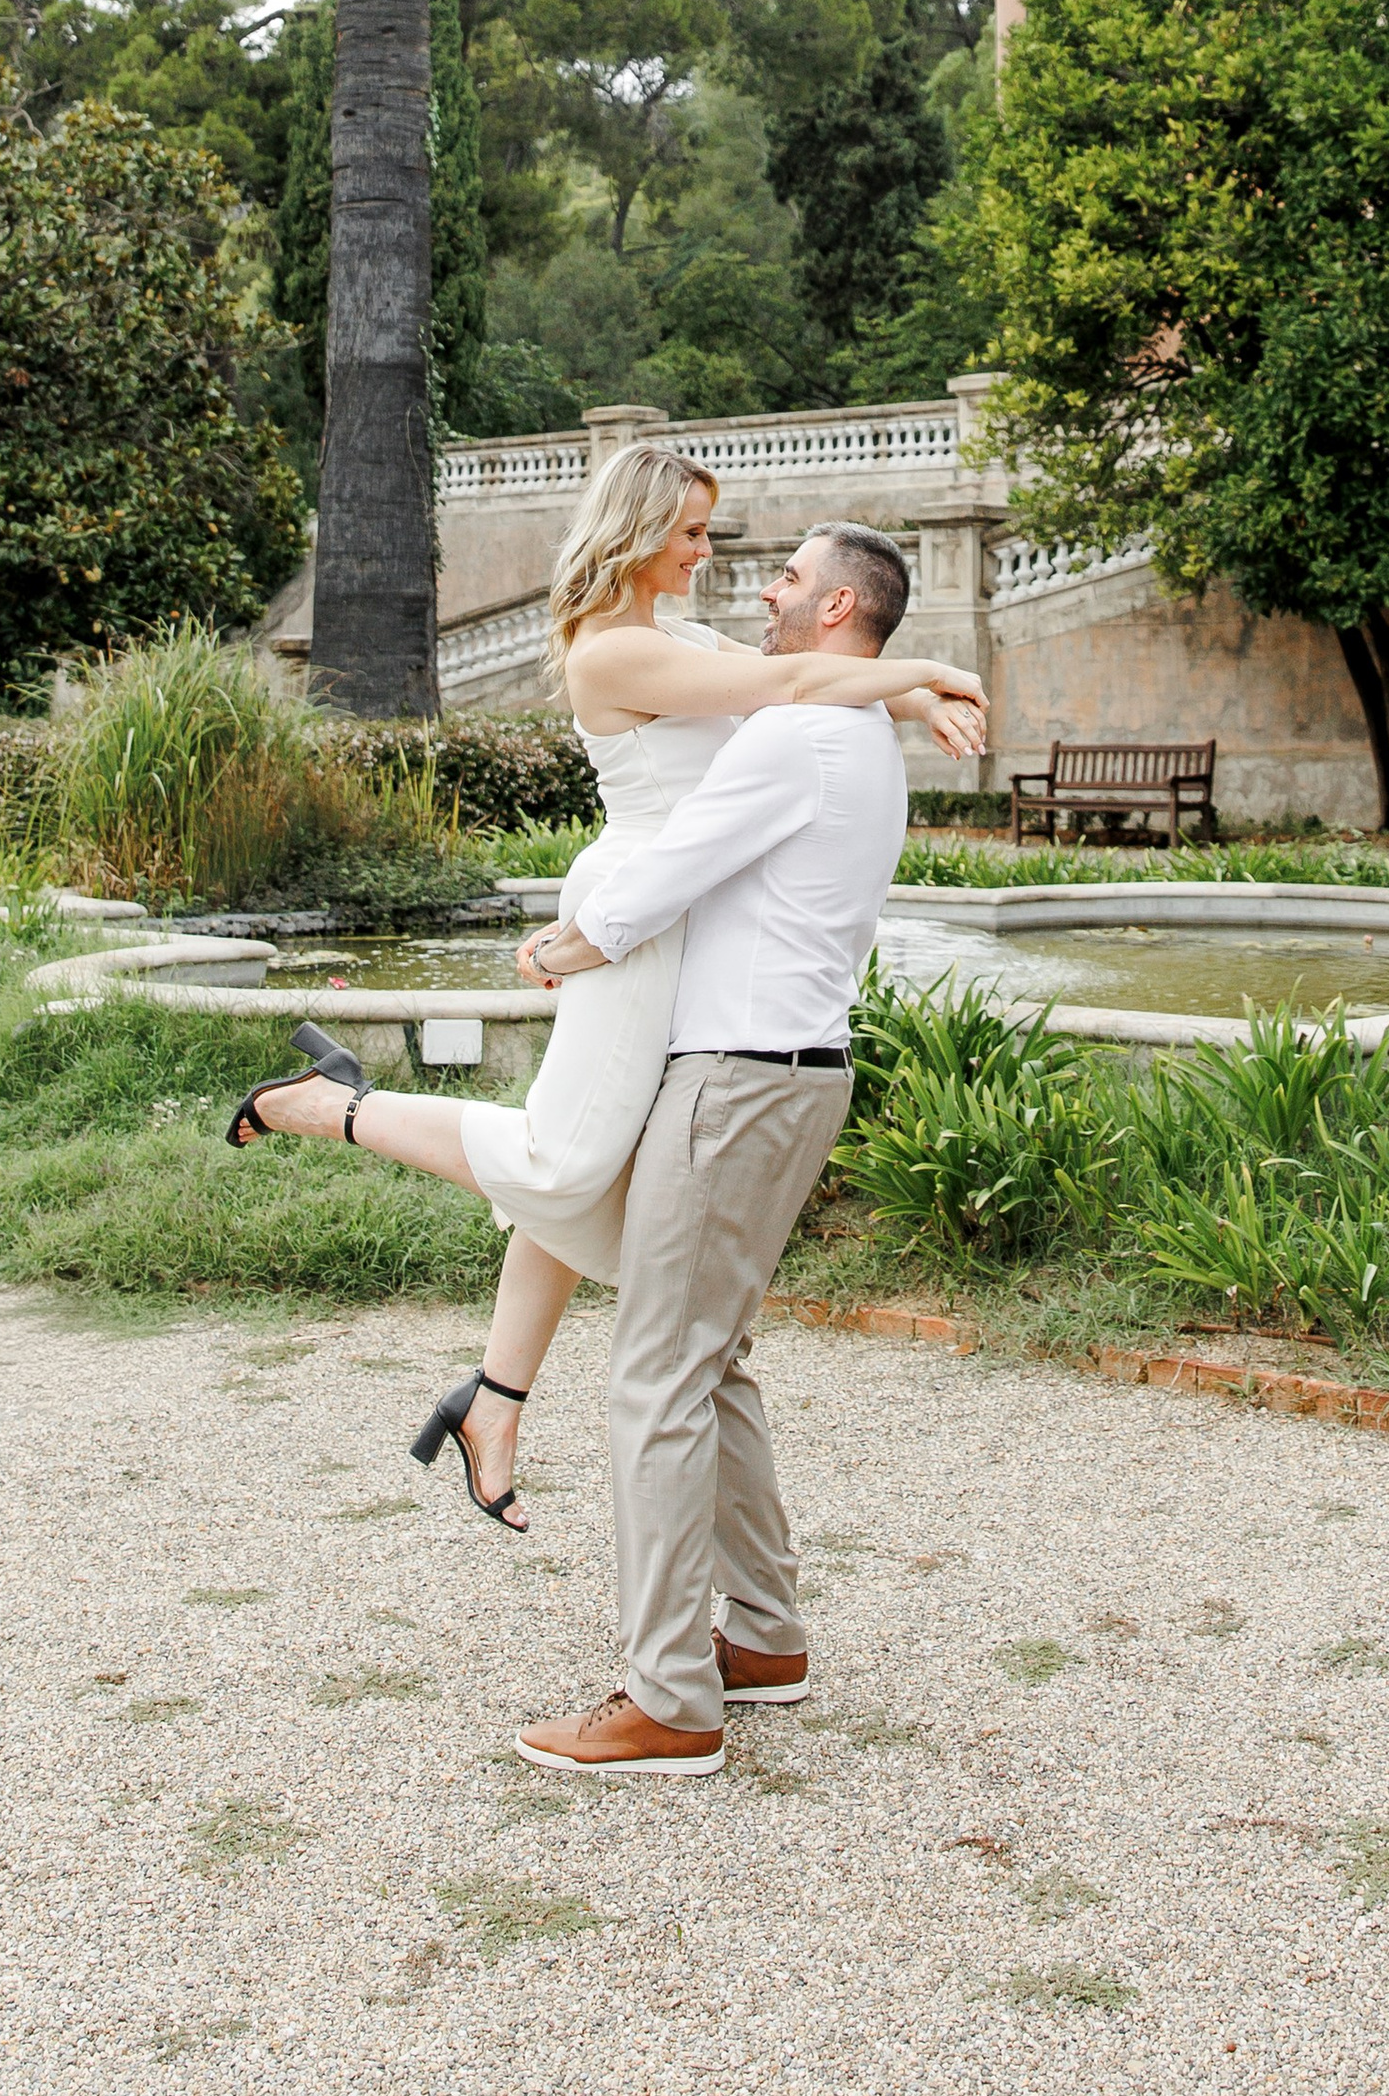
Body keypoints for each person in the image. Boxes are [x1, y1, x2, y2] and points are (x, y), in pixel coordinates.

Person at [227, 450, 986, 1536]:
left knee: (596, 1162)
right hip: (631, 914)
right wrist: (929, 677)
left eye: (708, 535)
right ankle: (325, 1104)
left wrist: (908, 689)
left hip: (677, 920)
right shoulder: (614, 652)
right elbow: (786, 681)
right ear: (636, 533)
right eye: (690, 534)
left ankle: (494, 1400)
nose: (707, 555)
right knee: (569, 1161)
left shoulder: (675, 636)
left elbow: (805, 672)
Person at [510, 519, 919, 1774]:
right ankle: (768, 1641)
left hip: (737, 1081)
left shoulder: (796, 733)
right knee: (711, 1359)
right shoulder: (850, 726)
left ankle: (670, 1699)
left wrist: (561, 944)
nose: (768, 587)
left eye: (792, 576)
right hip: (792, 1072)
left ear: (840, 608)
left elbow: (661, 877)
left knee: (656, 1380)